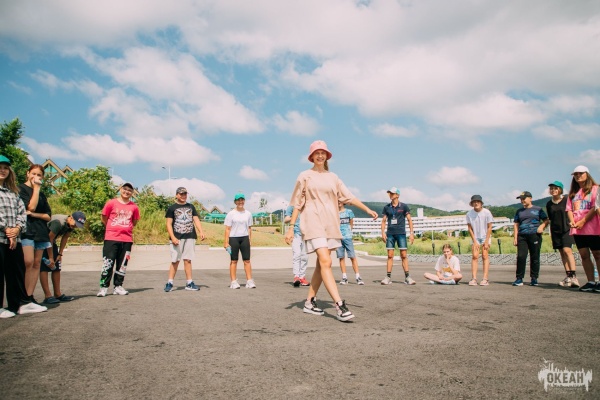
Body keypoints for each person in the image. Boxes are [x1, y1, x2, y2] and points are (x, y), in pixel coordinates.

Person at [285, 140, 377, 322]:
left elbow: (349, 197)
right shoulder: (305, 176)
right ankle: (339, 305)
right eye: (317, 153)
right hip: (313, 222)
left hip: (331, 223)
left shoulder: (333, 177)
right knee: (326, 261)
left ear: (327, 156)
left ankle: (309, 302)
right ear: (311, 157)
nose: (320, 156)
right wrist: (291, 228)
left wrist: (367, 209)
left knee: (322, 265)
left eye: (323, 153)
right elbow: (297, 203)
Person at [0, 155, 47, 318]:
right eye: (0, 168)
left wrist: (17, 228)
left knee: (16, 272)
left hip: (15, 238)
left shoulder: (13, 192)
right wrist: (7, 229)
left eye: (5, 168)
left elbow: (22, 212)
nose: (3, 170)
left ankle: (19, 304)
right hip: (2, 235)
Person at [97, 183, 140, 297]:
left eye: (129, 190)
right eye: (125, 189)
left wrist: (126, 227)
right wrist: (112, 227)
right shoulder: (111, 203)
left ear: (132, 193)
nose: (127, 192)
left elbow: (135, 221)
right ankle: (103, 287)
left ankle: (118, 286)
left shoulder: (134, 207)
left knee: (122, 264)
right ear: (120, 190)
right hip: (111, 238)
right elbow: (104, 217)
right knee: (108, 263)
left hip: (127, 239)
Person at [19, 164, 52, 303]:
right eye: (33, 173)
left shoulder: (42, 195)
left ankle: (29, 296)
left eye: (39, 175)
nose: (36, 177)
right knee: (28, 261)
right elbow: (30, 206)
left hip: (40, 231)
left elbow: (48, 216)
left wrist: (33, 214)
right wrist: (36, 189)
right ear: (28, 173)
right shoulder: (21, 189)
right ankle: (22, 296)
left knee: (37, 264)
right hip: (26, 230)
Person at [163, 187, 206, 292]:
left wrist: (201, 231)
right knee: (175, 260)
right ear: (177, 195)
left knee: (188, 260)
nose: (183, 196)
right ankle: (170, 282)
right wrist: (173, 237)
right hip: (177, 237)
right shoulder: (172, 208)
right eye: (181, 194)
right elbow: (168, 223)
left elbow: (196, 219)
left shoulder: (191, 206)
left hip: (190, 236)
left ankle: (189, 283)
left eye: (185, 194)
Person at [566, 166, 600, 292]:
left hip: (592, 227)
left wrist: (583, 221)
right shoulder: (573, 193)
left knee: (597, 254)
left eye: (581, 173)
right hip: (578, 229)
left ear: (587, 174)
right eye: (575, 174)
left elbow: (595, 207)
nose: (578, 176)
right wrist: (572, 221)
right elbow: (569, 209)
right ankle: (591, 281)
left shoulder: (595, 189)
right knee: (584, 255)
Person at [40, 211, 87, 304]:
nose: (75, 226)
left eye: (78, 225)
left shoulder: (70, 225)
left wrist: (60, 254)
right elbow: (49, 239)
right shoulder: (58, 223)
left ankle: (57, 294)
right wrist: (50, 257)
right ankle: (47, 296)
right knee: (44, 268)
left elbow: (65, 238)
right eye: (75, 224)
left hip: (51, 242)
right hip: (42, 241)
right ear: (71, 218)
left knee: (56, 267)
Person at [512, 191, 549, 287]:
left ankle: (534, 278)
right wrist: (515, 237)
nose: (522, 200)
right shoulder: (519, 211)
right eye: (521, 199)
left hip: (534, 235)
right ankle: (519, 278)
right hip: (522, 236)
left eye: (524, 198)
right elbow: (516, 224)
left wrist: (542, 226)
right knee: (521, 256)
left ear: (530, 198)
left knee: (535, 257)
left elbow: (546, 220)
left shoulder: (538, 209)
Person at [546, 181, 579, 288]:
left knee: (567, 250)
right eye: (551, 188)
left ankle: (573, 276)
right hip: (555, 231)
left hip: (567, 229)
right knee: (562, 253)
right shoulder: (549, 204)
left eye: (555, 188)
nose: (553, 190)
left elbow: (572, 211)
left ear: (560, 189)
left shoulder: (566, 199)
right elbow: (550, 218)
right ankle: (568, 276)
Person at [380, 187, 415, 285]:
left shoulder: (404, 206)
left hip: (401, 233)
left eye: (392, 193)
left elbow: (409, 220)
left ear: (397, 195)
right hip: (390, 234)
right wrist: (382, 232)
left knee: (403, 255)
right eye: (389, 193)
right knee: (390, 255)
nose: (390, 195)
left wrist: (411, 234)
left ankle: (407, 277)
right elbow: (383, 221)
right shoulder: (387, 207)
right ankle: (388, 277)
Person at [224, 193, 255, 289]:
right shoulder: (231, 214)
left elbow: (249, 228)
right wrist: (226, 242)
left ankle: (249, 281)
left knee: (247, 260)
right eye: (238, 200)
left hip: (244, 238)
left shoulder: (248, 214)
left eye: (242, 200)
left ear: (244, 201)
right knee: (234, 260)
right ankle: (233, 282)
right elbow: (227, 229)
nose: (240, 202)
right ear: (235, 202)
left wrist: (249, 240)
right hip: (233, 238)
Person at [465, 195, 493, 286]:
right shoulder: (469, 214)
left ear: (481, 203)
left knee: (485, 255)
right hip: (475, 237)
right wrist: (474, 241)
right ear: (472, 203)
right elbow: (469, 228)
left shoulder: (487, 212)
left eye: (478, 201)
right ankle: (474, 278)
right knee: (475, 256)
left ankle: (485, 278)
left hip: (485, 236)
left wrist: (486, 241)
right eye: (474, 202)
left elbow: (490, 227)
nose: (476, 203)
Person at [337, 201, 364, 285]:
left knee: (352, 257)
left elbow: (351, 223)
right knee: (341, 257)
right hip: (338, 238)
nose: (338, 202)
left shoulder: (349, 212)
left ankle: (358, 277)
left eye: (340, 201)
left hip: (347, 237)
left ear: (343, 202)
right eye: (337, 201)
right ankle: (344, 277)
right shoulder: (334, 213)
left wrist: (349, 231)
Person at [284, 205, 309, 287]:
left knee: (305, 256)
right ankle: (296, 277)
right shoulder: (292, 206)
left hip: (306, 234)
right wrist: (294, 217)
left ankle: (302, 277)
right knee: (297, 255)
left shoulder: (307, 205)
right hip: (295, 234)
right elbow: (286, 220)